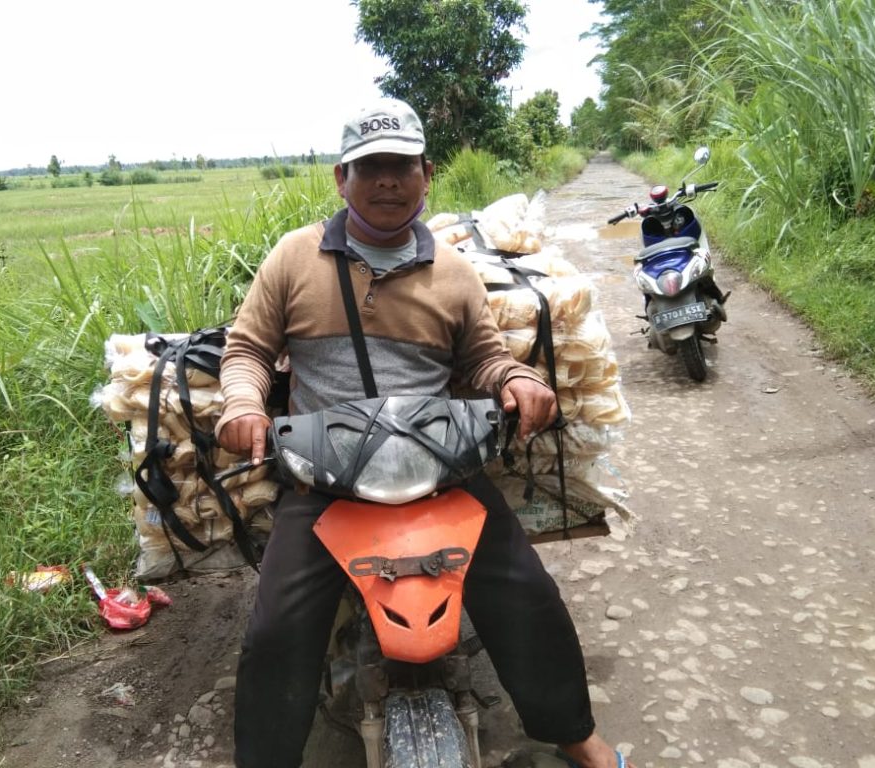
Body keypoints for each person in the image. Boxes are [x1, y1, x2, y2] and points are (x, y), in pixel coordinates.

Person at [216, 97, 633, 768]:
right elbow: (247, 351)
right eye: (370, 167)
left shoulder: (454, 271)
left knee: (527, 594)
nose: (387, 181)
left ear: (426, 173)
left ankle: (572, 731)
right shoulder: (293, 259)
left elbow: (484, 357)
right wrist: (242, 405)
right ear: (340, 178)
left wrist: (516, 381)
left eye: (401, 166)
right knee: (276, 629)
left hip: (438, 466)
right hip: (327, 473)